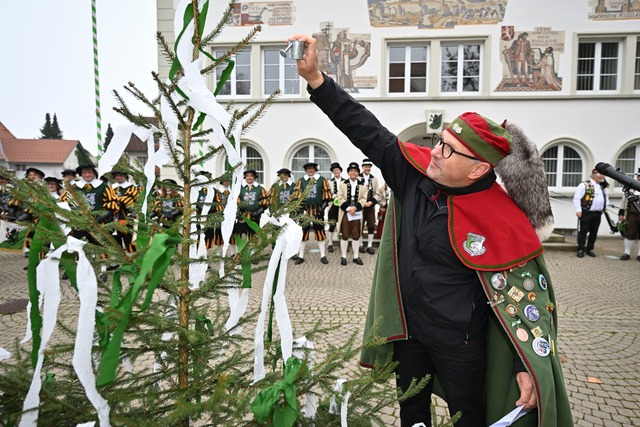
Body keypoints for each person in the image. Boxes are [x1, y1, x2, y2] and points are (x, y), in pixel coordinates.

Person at [291, 34, 571, 427]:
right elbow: (365, 128)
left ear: (478, 168)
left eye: (449, 150)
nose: (436, 152)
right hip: (410, 333)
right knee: (412, 411)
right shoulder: (413, 175)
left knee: (467, 416)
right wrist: (317, 79)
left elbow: (523, 300)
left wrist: (524, 363)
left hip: (462, 342)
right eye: (440, 142)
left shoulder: (502, 217)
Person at [293, 162, 332, 265]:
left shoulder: (321, 180)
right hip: (304, 211)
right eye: (308, 169)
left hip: (317, 210)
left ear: (315, 169)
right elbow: (297, 196)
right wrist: (298, 209)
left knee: (320, 232)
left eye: (312, 169)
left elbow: (327, 195)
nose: (310, 170)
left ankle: (323, 255)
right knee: (303, 233)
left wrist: (323, 207)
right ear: (306, 170)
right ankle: (301, 256)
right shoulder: (301, 181)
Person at [573, 169, 609, 258]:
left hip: (598, 213)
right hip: (586, 212)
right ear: (595, 175)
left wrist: (605, 206)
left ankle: (590, 248)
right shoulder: (584, 185)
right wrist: (578, 210)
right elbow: (577, 198)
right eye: (602, 175)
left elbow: (606, 198)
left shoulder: (603, 187)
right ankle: (581, 248)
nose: (603, 177)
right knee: (583, 231)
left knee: (594, 231)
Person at [337, 162, 367, 266]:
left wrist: (355, 208)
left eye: (355, 171)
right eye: (351, 171)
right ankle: (344, 256)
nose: (353, 172)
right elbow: (340, 198)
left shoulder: (363, 185)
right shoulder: (342, 184)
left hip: (357, 212)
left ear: (358, 173)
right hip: (346, 212)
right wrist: (349, 208)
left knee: (356, 234)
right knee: (344, 235)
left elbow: (364, 198)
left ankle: (356, 256)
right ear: (348, 172)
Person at [110, 168, 141, 253]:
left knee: (130, 244)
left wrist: (127, 204)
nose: (118, 177)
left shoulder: (133, 188)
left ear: (126, 176)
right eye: (117, 175)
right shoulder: (110, 188)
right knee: (116, 244)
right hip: (112, 219)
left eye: (120, 175)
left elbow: (138, 203)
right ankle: (117, 264)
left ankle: (132, 261)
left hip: (127, 219)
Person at [358, 158, 383, 255]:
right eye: (365, 167)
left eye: (369, 167)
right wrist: (362, 202)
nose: (367, 168)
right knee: (359, 225)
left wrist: (371, 202)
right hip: (360, 206)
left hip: (370, 206)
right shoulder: (358, 178)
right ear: (362, 167)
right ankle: (360, 245)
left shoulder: (374, 179)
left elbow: (377, 193)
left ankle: (369, 245)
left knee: (371, 225)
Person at [234, 170, 268, 240]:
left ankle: (253, 251)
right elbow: (234, 201)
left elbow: (265, 201)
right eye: (247, 176)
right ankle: (242, 251)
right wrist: (237, 212)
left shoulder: (260, 188)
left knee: (254, 236)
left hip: (254, 216)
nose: (249, 178)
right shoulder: (239, 188)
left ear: (254, 177)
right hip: (242, 216)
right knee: (241, 235)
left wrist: (259, 212)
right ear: (245, 177)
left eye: (251, 176)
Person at [618, 168, 640, 261]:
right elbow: (624, 200)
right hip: (632, 214)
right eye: (638, 176)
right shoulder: (631, 187)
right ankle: (627, 253)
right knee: (629, 233)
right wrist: (621, 213)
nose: (639, 178)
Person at [326, 162, 345, 253]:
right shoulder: (329, 182)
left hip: (342, 206)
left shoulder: (345, 181)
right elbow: (327, 192)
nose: (336, 171)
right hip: (332, 205)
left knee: (342, 225)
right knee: (332, 224)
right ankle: (330, 243)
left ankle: (342, 243)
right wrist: (332, 196)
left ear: (340, 171)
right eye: (334, 170)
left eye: (337, 170)